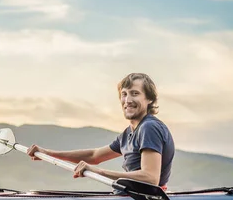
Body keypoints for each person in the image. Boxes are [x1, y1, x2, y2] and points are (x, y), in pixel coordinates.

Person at [27, 73, 175, 190]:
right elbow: (94, 156)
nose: (127, 100)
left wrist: (98, 171)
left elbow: (150, 178)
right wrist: (47, 153)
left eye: (135, 93)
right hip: (127, 196)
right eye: (124, 94)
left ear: (149, 99)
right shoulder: (128, 133)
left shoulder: (149, 128)